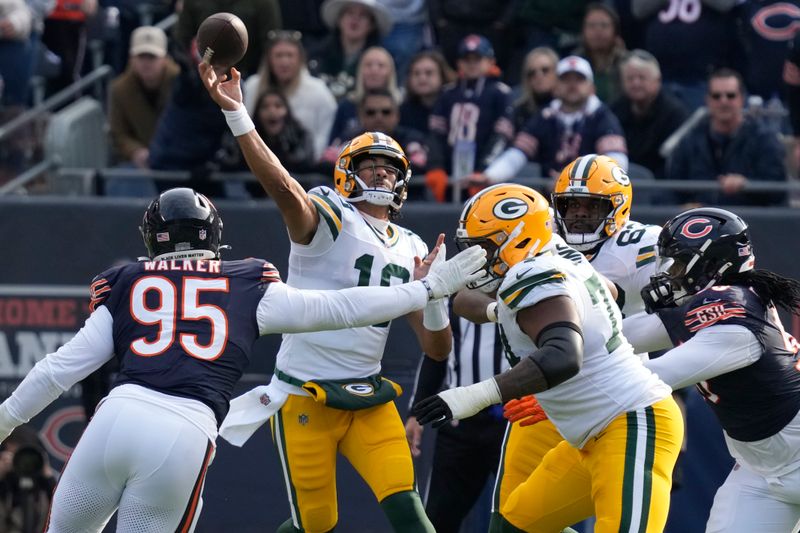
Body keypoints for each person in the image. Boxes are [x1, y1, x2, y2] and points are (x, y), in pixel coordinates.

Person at [0, 187, 486, 533]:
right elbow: (341, 307)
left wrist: (3, 423)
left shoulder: (127, 280)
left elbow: (57, 370)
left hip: (118, 415)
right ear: (213, 236)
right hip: (185, 429)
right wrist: (426, 288)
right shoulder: (248, 282)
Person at [199, 61, 460, 533]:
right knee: (316, 523)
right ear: (346, 173)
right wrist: (239, 115)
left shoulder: (415, 247)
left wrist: (435, 295)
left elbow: (436, 348)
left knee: (409, 512)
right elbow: (283, 188)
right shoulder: (330, 217)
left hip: (369, 395)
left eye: (389, 168)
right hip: (305, 396)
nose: (381, 174)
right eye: (370, 166)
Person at [413, 183, 683, 532]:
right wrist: (446, 295)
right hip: (588, 434)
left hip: (632, 423)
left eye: (483, 246)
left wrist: (472, 395)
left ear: (518, 241)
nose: (476, 257)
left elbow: (562, 356)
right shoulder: (552, 252)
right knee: (511, 527)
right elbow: (468, 301)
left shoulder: (534, 274)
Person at [625, 207, 800, 533]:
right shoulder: (724, 301)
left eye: (677, 264)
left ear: (709, 266)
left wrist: (560, 381)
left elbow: (646, 379)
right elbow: (621, 337)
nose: (668, 275)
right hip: (758, 471)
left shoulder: (732, 323)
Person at [404, 303, 510, 533]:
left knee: (521, 513)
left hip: (511, 421)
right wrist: (416, 413)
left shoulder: (523, 282)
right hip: (459, 422)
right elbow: (436, 354)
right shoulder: (452, 291)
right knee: (438, 517)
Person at [474, 55, 627, 184]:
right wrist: (490, 176)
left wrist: (576, 181)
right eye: (566, 79)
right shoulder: (546, 116)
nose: (572, 85)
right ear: (556, 86)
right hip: (550, 199)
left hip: (591, 198)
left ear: (592, 87)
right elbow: (517, 154)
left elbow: (616, 162)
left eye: (579, 79)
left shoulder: (601, 116)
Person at [666, 68, 786, 206]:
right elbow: (673, 188)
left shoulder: (764, 139)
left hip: (752, 221)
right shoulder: (690, 140)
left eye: (730, 95)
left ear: (742, 99)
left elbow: (777, 190)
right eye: (716, 96)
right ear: (707, 100)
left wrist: (747, 185)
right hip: (700, 222)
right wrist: (682, 208)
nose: (723, 101)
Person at [425, 34, 514, 202]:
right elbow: (436, 134)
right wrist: (436, 166)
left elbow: (501, 136)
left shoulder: (500, 93)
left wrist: (485, 170)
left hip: (483, 173)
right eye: (467, 59)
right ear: (459, 63)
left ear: (490, 61)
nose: (472, 64)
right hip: (451, 173)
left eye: (477, 59)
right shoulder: (448, 94)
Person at [106, 26, 179, 197]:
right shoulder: (120, 89)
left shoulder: (181, 83)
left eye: (152, 57)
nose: (146, 63)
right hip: (140, 163)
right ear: (132, 59)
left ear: (164, 59)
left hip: (176, 159)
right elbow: (118, 133)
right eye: (141, 56)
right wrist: (135, 151)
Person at [243, 30, 337, 161]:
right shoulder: (252, 87)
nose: (284, 61)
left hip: (305, 168)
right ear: (269, 59)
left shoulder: (318, 91)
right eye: (279, 55)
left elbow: (324, 134)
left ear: (300, 59)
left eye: (290, 55)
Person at [610, 49, 688, 180]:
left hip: (661, 185)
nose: (636, 83)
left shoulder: (675, 114)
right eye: (630, 78)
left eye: (642, 78)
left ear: (657, 80)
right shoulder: (613, 111)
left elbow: (675, 163)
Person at [573, 3, 626, 103]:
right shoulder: (575, 63)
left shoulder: (627, 64)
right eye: (591, 26)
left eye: (604, 25)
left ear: (615, 31)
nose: (598, 31)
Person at [399, 50, 455, 135]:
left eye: (429, 73)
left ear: (442, 76)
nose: (422, 78)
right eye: (416, 74)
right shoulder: (403, 111)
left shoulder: (454, 107)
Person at [512, 46, 558, 133]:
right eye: (532, 73)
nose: (538, 76)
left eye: (545, 70)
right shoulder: (520, 113)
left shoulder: (567, 107)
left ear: (557, 72)